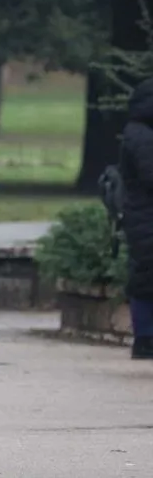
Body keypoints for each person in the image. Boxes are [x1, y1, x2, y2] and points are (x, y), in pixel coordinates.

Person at [119, 77, 153, 360]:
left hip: (140, 216)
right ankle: (145, 340)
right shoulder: (142, 135)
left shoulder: (136, 131)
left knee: (144, 275)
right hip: (146, 218)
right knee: (145, 277)